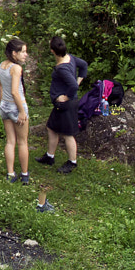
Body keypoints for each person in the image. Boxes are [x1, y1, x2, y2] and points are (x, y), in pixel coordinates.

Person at [38, 35, 85, 174]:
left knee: (68, 134)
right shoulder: (70, 58)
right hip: (62, 105)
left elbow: (73, 86)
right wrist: (78, 81)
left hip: (67, 105)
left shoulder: (62, 68)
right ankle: (49, 156)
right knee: (51, 128)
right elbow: (84, 66)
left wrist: (67, 96)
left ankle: (72, 162)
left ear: (52, 51)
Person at [0, 37, 31, 184]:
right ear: (14, 53)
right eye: (23, 52)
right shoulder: (16, 68)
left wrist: (1, 104)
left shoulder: (2, 65)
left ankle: (10, 173)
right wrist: (22, 111)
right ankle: (24, 175)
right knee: (23, 142)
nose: (25, 55)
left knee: (10, 141)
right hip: (16, 106)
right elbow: (15, 92)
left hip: (4, 106)